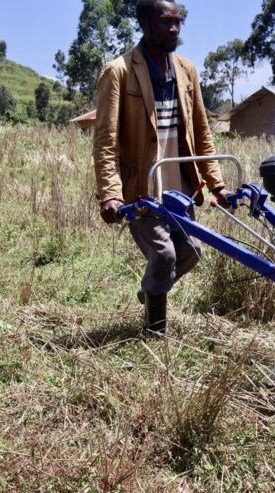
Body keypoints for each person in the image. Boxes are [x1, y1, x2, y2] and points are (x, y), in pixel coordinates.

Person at [93, 0, 231, 332]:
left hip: (181, 187)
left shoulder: (186, 70)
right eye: (165, 23)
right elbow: (106, 140)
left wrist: (217, 184)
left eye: (177, 23)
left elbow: (201, 131)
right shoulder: (120, 71)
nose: (174, 29)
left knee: (192, 251)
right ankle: (155, 329)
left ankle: (151, 290)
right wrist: (110, 195)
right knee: (165, 256)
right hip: (143, 188)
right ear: (144, 23)